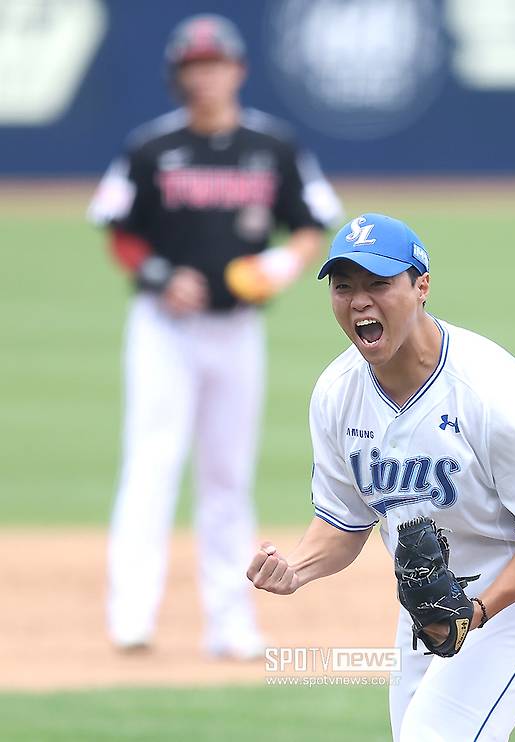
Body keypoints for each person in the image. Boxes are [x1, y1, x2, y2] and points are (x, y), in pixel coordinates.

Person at [247, 213, 515, 740]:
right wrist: (297, 567)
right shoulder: (337, 393)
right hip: (423, 599)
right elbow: (343, 523)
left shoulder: (492, 394)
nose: (360, 301)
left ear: (421, 286)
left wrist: (475, 612)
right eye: (344, 287)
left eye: (379, 284)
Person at [87, 13, 341, 658]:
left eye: (214, 63)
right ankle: (131, 617)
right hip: (163, 330)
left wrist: (281, 264)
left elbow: (312, 220)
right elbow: (117, 227)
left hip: (236, 331)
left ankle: (231, 625)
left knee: (228, 477)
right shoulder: (152, 147)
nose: (205, 75)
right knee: (152, 464)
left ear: (237, 70)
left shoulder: (271, 145)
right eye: (193, 65)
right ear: (179, 76)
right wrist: (158, 273)